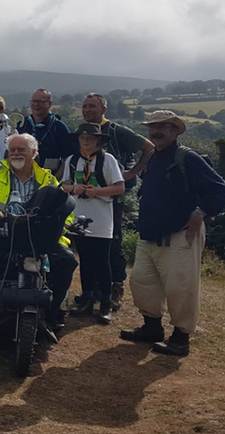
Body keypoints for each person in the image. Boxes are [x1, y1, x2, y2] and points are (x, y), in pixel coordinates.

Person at [120, 111, 225, 357]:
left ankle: (180, 339)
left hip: (180, 236)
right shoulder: (154, 158)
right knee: (142, 283)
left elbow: (219, 190)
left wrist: (200, 213)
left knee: (181, 288)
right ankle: (152, 328)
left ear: (175, 130)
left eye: (163, 127)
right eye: (153, 127)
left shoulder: (188, 158)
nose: (156, 131)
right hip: (149, 234)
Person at [0, 134, 78, 328]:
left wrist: (60, 230)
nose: (15, 153)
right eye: (12, 149)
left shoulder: (48, 178)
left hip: (38, 241)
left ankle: (55, 309)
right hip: (1, 235)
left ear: (34, 152)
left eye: (21, 149)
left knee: (66, 260)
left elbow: (64, 208)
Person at [82, 92, 155, 310]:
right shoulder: (84, 131)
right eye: (84, 106)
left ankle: (115, 288)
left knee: (112, 241)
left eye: (92, 106)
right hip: (89, 196)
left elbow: (149, 147)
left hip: (114, 196)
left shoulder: (116, 130)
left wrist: (132, 172)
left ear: (104, 109)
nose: (87, 110)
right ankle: (94, 289)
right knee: (89, 240)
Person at [62, 123, 125, 324]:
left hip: (101, 217)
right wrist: (74, 188)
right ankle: (86, 298)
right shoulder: (72, 161)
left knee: (102, 261)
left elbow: (119, 187)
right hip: (78, 216)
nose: (86, 140)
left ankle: (106, 303)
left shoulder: (108, 160)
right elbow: (62, 185)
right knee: (85, 260)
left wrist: (96, 192)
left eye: (90, 137)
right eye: (83, 137)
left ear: (98, 139)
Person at [18, 88, 72, 175]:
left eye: (40, 102)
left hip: (50, 178)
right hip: (23, 177)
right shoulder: (22, 125)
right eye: (33, 101)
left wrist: (55, 180)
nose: (36, 104)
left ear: (50, 104)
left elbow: (68, 158)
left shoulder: (59, 127)